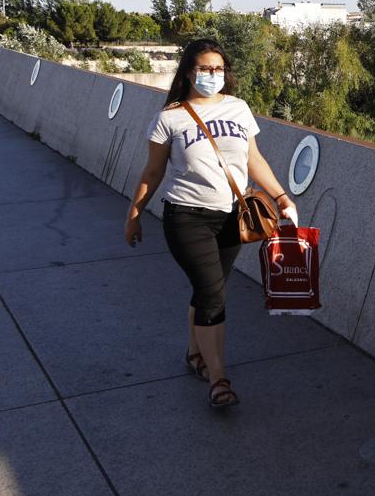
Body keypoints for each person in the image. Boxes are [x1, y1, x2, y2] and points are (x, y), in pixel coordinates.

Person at [123, 38, 296, 408]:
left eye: (219, 69)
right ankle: (219, 379)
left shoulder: (238, 108)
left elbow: (254, 161)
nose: (212, 75)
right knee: (213, 294)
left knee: (207, 291)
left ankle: (194, 354)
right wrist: (134, 215)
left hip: (235, 218)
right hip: (186, 216)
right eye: (205, 68)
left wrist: (281, 197)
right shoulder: (170, 117)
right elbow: (152, 171)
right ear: (189, 71)